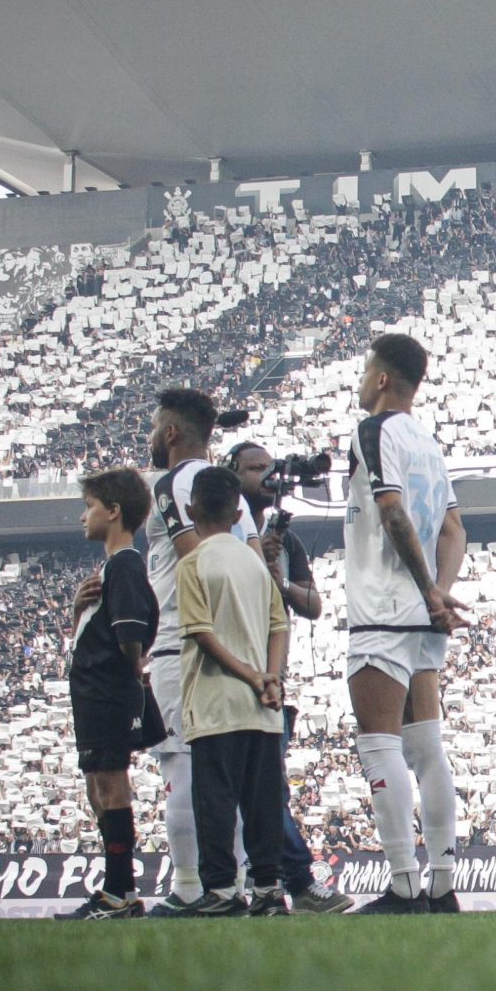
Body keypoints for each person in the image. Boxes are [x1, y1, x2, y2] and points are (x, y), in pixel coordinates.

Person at [343, 333, 468, 915]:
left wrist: (425, 591)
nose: (363, 382)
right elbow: (453, 530)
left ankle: (401, 884)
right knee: (427, 745)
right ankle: (442, 882)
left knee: (379, 744)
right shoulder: (429, 442)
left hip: (382, 606)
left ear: (384, 379)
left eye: (367, 371)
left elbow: (391, 510)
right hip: (421, 613)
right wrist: (440, 594)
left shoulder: (375, 431)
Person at [134, 388, 255, 913]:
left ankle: (187, 887)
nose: (150, 436)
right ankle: (237, 885)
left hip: (182, 641)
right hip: (238, 642)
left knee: (180, 765)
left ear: (171, 433)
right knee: (227, 773)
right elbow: (254, 563)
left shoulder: (170, 485)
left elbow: (194, 559)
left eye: (154, 427)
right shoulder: (235, 495)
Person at [227, 442, 347, 914]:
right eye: (254, 469)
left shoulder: (285, 540)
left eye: (268, 468)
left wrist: (278, 579)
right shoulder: (224, 530)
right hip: (234, 664)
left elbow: (313, 604)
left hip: (270, 674)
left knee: (265, 788)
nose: (265, 476)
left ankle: (286, 880)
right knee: (252, 790)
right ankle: (280, 881)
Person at [169, 464, 290, 917]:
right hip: (263, 707)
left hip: (217, 701)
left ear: (189, 508)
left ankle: (221, 890)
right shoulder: (255, 564)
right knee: (262, 803)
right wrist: (270, 677)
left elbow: (202, 633)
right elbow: (280, 625)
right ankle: (268, 889)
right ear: (239, 511)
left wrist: (250, 675)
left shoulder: (194, 563)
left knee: (216, 802)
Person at [57, 468, 159, 920]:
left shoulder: (126, 566)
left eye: (90, 507)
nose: (83, 516)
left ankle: (122, 891)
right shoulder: (111, 569)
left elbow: (131, 637)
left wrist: (132, 675)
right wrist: (80, 610)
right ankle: (116, 889)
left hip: (108, 694)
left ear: (114, 512)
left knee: (111, 787)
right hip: (94, 694)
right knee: (99, 788)